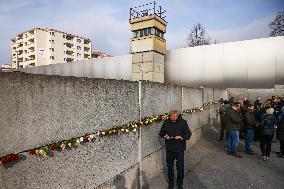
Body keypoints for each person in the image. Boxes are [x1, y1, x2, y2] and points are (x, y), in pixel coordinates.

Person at [159, 110, 192, 189]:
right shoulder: (166, 122)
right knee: (170, 167)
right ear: (169, 116)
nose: (173, 118)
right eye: (171, 116)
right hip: (169, 149)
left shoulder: (183, 122)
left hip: (179, 149)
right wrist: (164, 135)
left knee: (180, 168)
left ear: (178, 116)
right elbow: (161, 133)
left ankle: (180, 184)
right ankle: (171, 184)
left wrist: (181, 137)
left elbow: (188, 134)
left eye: (175, 116)